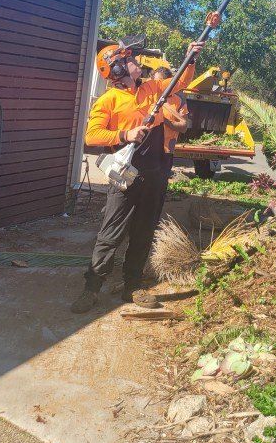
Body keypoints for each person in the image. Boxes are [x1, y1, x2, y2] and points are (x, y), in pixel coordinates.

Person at [70, 38, 203, 314]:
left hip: (155, 172)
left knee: (144, 232)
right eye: (129, 60)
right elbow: (91, 135)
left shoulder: (153, 88)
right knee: (110, 234)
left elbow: (180, 83)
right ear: (116, 70)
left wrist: (191, 57)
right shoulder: (109, 100)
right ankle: (91, 288)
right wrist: (124, 134)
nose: (136, 63)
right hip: (126, 176)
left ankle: (132, 286)